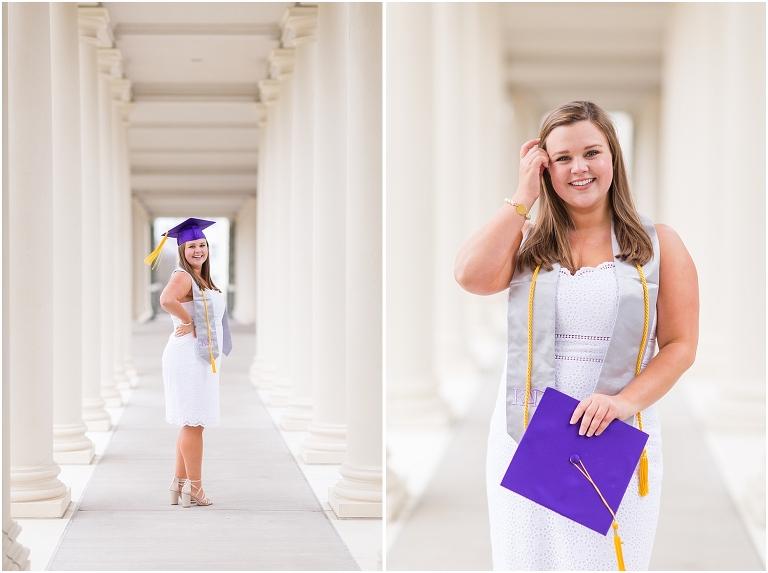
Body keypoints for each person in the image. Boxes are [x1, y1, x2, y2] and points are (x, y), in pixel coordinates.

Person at [454, 101, 698, 570]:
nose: (579, 168)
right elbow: (469, 275)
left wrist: (622, 403)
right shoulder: (529, 244)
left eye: (591, 152)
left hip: (613, 434)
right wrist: (523, 195)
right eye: (562, 158)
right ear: (544, 165)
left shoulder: (659, 243)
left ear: (613, 158)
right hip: (525, 435)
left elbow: (680, 345)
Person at [146, 217, 232, 508]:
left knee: (191, 422)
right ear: (182, 250)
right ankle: (195, 489)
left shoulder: (201, 277)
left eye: (202, 245)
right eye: (192, 246)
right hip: (187, 356)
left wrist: (195, 322)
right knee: (194, 423)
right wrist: (189, 321)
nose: (198, 250)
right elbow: (167, 299)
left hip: (199, 356)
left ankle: (178, 485)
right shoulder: (183, 275)